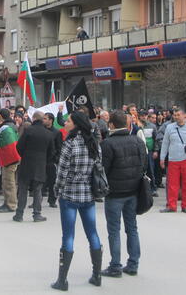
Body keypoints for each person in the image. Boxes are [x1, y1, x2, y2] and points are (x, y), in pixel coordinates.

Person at [52, 111, 103, 291]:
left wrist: (57, 190)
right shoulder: (94, 144)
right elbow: (98, 168)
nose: (65, 123)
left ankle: (62, 280)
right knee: (93, 234)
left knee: (68, 236)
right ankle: (97, 275)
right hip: (88, 194)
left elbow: (62, 173)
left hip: (69, 195)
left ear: (76, 125)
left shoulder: (70, 144)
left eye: (68, 121)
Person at [99, 110, 146, 278]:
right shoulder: (137, 141)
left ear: (111, 125)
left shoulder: (108, 144)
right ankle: (133, 263)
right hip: (133, 191)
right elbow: (143, 165)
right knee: (132, 228)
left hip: (114, 193)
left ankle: (115, 265)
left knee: (114, 230)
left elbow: (103, 169)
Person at [159, 109, 186, 213]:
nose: (176, 117)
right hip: (173, 160)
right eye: (174, 115)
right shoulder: (169, 127)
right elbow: (165, 143)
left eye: (178, 115)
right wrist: (162, 157)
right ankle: (171, 206)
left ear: (184, 116)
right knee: (172, 184)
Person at [13, 111, 54, 223]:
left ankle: (19, 214)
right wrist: (44, 160)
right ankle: (37, 214)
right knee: (37, 190)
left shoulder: (28, 131)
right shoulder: (48, 134)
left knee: (23, 190)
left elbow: (19, 147)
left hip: (26, 164)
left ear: (34, 118)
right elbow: (52, 152)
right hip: (40, 165)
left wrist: (25, 156)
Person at [0, 109, 20, 213]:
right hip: (8, 159)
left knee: (9, 183)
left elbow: (10, 146)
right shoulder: (9, 126)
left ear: (1, 116)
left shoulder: (7, 128)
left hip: (10, 159)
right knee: (5, 182)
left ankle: (11, 205)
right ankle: (6, 202)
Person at [43, 113, 63, 208]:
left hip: (51, 161)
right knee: (39, 181)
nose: (43, 120)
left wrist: (56, 159)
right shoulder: (41, 130)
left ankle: (52, 200)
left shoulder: (57, 132)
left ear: (51, 120)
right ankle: (37, 200)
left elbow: (59, 147)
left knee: (52, 181)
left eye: (45, 118)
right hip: (41, 159)